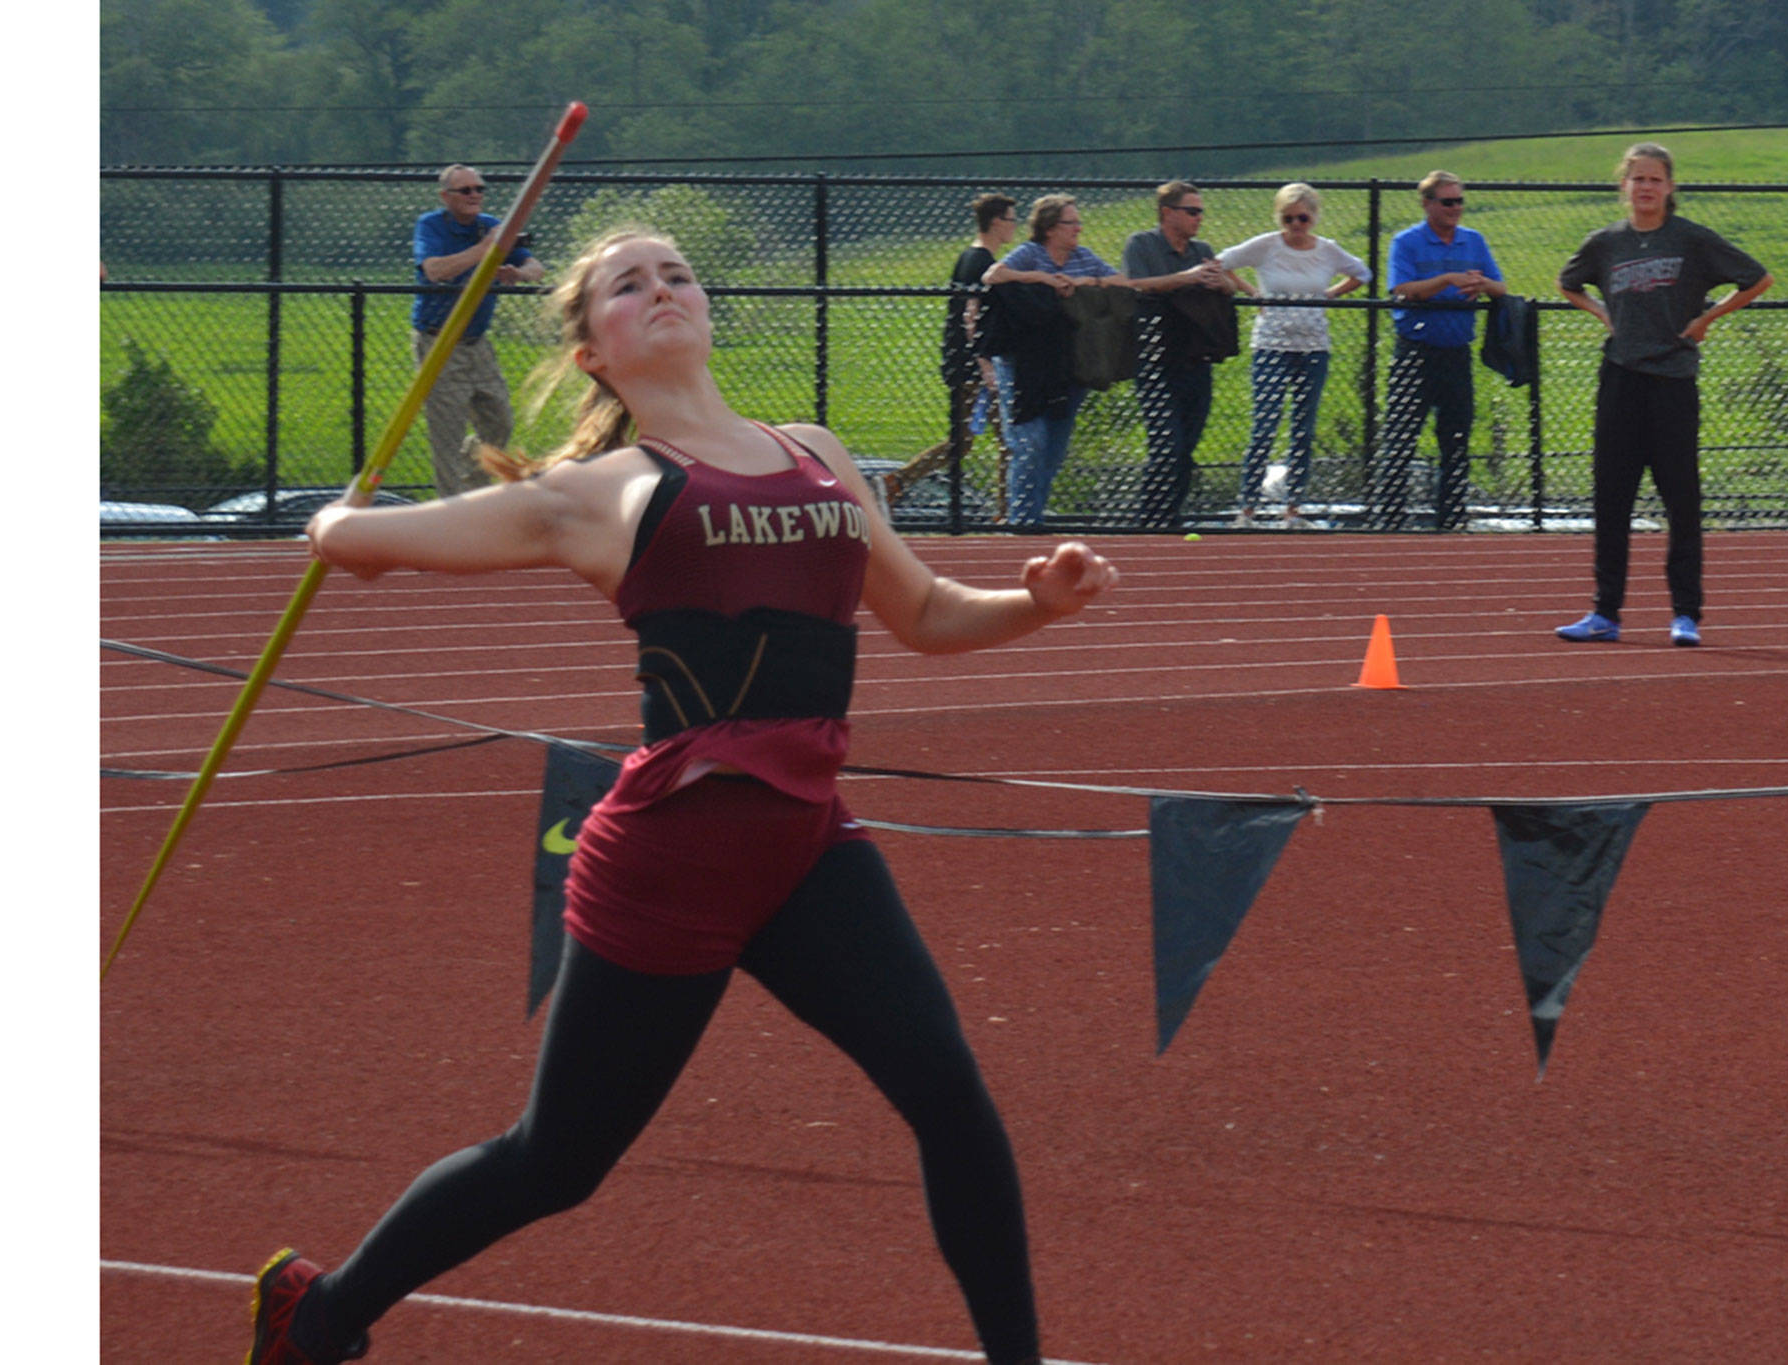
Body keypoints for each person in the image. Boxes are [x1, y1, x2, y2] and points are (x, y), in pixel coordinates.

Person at [247, 228, 1119, 1365]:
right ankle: (318, 1314)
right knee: (555, 1162)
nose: (660, 289)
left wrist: (1037, 603)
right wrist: (331, 523)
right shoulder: (596, 493)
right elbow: (366, 544)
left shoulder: (814, 452)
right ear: (594, 352)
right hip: (671, 862)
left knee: (949, 1095)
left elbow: (924, 613)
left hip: (808, 844)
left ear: (705, 310)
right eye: (628, 284)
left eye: (676, 274)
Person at [1552, 142, 1772, 647]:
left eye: (1655, 179)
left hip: (1673, 381)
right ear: (1624, 186)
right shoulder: (1606, 243)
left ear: (1670, 186)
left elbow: (1758, 278)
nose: (1646, 187)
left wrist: (1706, 319)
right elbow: (1568, 283)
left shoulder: (1690, 239)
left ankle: (1685, 615)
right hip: (1620, 380)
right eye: (1638, 179)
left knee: (1681, 500)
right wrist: (1602, 314)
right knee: (1612, 498)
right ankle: (1605, 613)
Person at [1215, 183, 1372, 528]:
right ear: (1279, 218)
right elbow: (1222, 262)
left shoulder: (1327, 251)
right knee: (1265, 423)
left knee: (1304, 427)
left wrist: (1331, 294)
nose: (1296, 225)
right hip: (1271, 344)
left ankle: (1293, 509)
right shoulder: (1267, 246)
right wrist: (1253, 293)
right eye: (1288, 219)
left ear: (1314, 217)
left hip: (1313, 346)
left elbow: (1362, 273)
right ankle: (1247, 509)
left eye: (1303, 218)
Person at [981, 194, 1130, 528]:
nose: (1078, 228)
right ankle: (1023, 521)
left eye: (1078, 222)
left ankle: (1033, 516)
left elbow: (1123, 282)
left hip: (1068, 365)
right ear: (1049, 228)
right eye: (1070, 223)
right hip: (1023, 366)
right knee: (1030, 443)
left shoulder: (1082, 257)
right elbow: (993, 275)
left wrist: (1083, 282)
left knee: (1054, 449)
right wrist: (1044, 279)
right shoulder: (1030, 254)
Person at [1374, 171, 1505, 530]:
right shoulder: (1407, 242)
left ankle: (1451, 519)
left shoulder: (1473, 241)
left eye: (1459, 201)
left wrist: (1482, 284)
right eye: (1448, 201)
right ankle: (1390, 519)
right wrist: (1447, 280)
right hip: (1415, 352)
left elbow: (1501, 287)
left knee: (1456, 438)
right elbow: (1401, 289)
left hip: (1456, 352)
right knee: (1401, 436)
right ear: (1427, 204)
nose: (1455, 208)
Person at [411, 164, 546, 497]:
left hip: (477, 342)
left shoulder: (491, 226)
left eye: (479, 189)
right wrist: (485, 250)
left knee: (499, 421)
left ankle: (474, 487)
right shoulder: (431, 226)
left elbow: (536, 267)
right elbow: (435, 271)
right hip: (439, 340)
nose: (475, 195)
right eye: (466, 190)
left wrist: (518, 273)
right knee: (448, 433)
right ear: (446, 196)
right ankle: (451, 509)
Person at [882, 194, 1019, 512]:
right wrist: (985, 366)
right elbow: (970, 316)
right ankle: (1006, 513)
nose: (1015, 226)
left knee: (963, 443)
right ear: (996, 222)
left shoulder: (969, 258)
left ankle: (898, 480)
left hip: (965, 365)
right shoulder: (980, 263)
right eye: (1012, 219)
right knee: (1005, 441)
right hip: (975, 369)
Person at [1122, 181, 1247, 527]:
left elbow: (1228, 287)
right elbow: (1133, 285)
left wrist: (1222, 284)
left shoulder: (1201, 249)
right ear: (1167, 213)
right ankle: (1150, 519)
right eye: (1192, 211)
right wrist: (1185, 277)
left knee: (1187, 446)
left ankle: (1169, 516)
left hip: (1196, 359)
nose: (1199, 218)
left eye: (1201, 211)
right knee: (1167, 444)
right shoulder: (1142, 244)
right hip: (1156, 360)